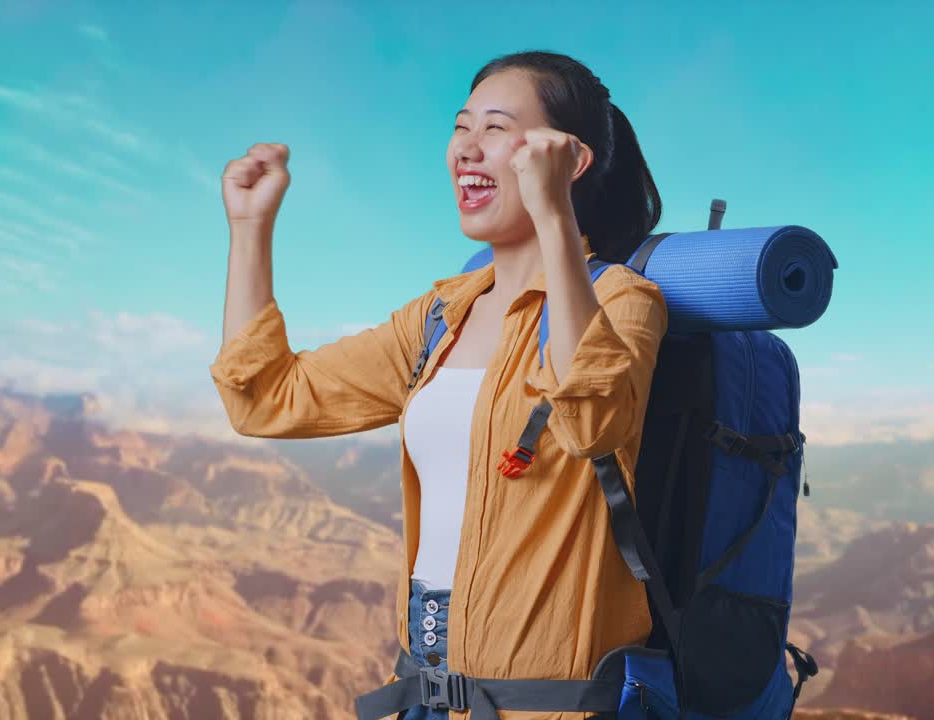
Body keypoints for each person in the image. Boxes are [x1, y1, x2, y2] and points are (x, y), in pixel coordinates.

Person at [210, 50, 667, 719]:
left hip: (548, 705)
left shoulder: (623, 301)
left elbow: (590, 420)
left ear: (567, 158)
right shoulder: (438, 318)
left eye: (495, 128)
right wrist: (250, 227)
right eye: (461, 127)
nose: (466, 149)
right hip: (427, 685)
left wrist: (555, 216)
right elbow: (263, 399)